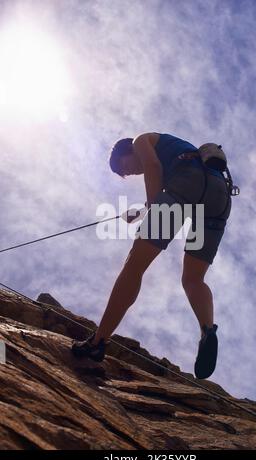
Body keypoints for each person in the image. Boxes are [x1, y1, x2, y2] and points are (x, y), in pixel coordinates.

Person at [72, 132, 233, 379]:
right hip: (218, 196)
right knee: (193, 279)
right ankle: (207, 330)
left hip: (185, 186)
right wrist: (149, 208)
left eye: (126, 167)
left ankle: (98, 342)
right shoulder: (178, 149)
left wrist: (153, 209)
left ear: (126, 151)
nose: (132, 173)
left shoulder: (140, 139)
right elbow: (160, 186)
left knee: (134, 266)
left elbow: (152, 165)